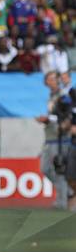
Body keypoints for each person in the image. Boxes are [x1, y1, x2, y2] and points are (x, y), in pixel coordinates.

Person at [36, 71, 71, 209]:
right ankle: (67, 192)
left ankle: (62, 200)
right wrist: (47, 119)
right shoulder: (52, 96)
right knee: (46, 168)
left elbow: (66, 115)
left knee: (58, 168)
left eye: (52, 79)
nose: (50, 82)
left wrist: (48, 119)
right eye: (48, 79)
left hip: (60, 138)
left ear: (58, 81)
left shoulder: (63, 96)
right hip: (50, 137)